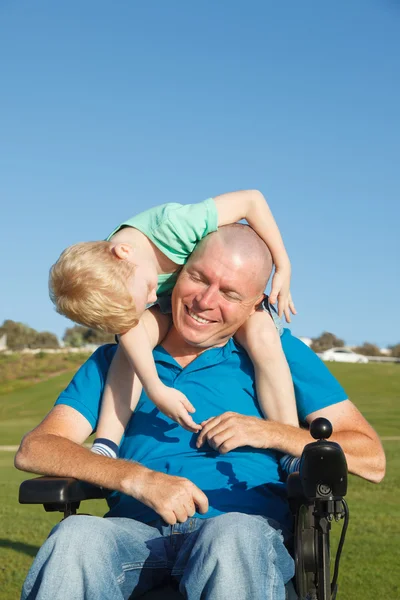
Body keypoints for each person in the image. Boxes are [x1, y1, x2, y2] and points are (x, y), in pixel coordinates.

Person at [16, 225, 385, 600]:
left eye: (229, 293)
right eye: (198, 278)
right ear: (176, 275)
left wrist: (271, 432)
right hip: (134, 536)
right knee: (75, 537)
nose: (205, 301)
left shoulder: (278, 355)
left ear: (255, 303)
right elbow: (38, 448)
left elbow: (371, 458)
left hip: (241, 529)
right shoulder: (118, 361)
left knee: (232, 537)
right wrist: (138, 479)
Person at [49, 190, 298, 463]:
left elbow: (252, 200)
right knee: (132, 345)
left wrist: (283, 265)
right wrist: (155, 387)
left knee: (262, 334)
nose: (152, 299)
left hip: (210, 292)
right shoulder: (118, 276)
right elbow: (130, 328)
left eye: (147, 289)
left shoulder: (174, 227)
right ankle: (106, 444)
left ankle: (289, 445)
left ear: (124, 252)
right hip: (182, 298)